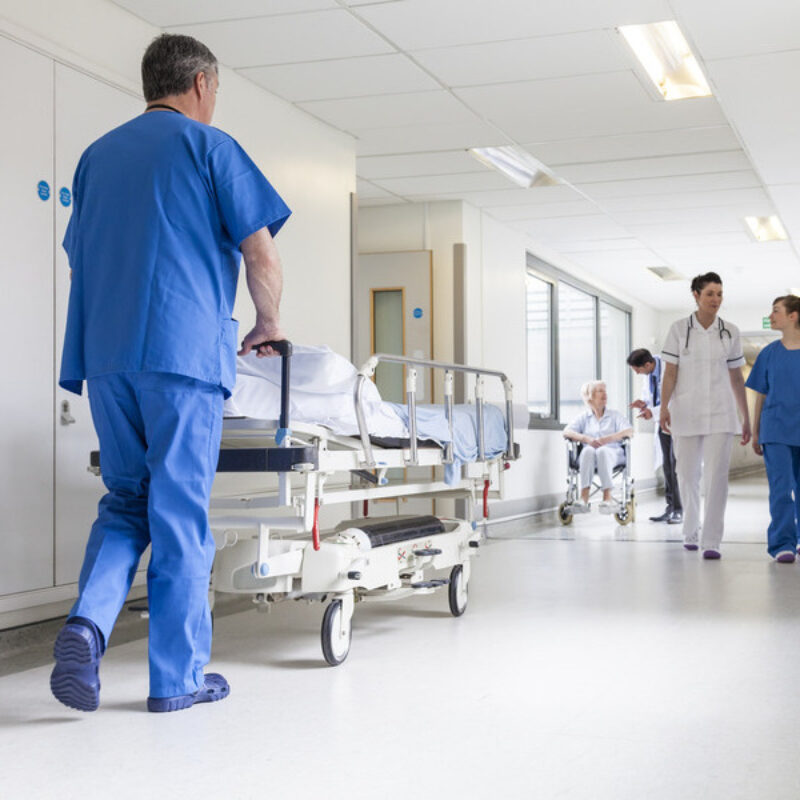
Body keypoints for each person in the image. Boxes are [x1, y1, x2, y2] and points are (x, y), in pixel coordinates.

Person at [50, 33, 291, 713]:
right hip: (181, 359)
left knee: (126, 501)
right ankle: (176, 679)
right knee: (179, 512)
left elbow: (80, 262)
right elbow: (261, 256)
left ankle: (87, 624)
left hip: (106, 357)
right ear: (203, 83)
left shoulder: (96, 158)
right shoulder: (212, 148)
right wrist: (268, 323)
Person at [659, 272, 751, 559]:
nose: (716, 299)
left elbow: (736, 377)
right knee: (686, 475)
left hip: (721, 414)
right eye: (710, 293)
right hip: (685, 412)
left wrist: (745, 417)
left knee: (717, 478)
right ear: (696, 295)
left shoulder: (730, 331)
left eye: (720, 294)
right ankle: (690, 529)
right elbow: (670, 372)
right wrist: (663, 407)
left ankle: (712, 540)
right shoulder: (678, 329)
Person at [746, 295, 800, 563]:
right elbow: (761, 395)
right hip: (776, 430)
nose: (772, 315)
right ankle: (782, 544)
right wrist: (756, 432)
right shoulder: (768, 353)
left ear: (793, 316)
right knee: (781, 488)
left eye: (776, 311)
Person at [627, 348, 683, 524]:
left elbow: (675, 399)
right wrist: (644, 405)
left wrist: (653, 411)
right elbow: (654, 399)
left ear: (648, 364)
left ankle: (679, 509)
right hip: (662, 423)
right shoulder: (649, 375)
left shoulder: (670, 368)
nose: (637, 373)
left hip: (676, 421)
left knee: (676, 467)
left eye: (638, 369)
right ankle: (670, 507)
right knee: (667, 466)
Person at [563, 381, 633, 514]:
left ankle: (607, 498)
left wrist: (607, 439)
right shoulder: (584, 417)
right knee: (588, 450)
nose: (605, 394)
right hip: (588, 458)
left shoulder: (614, 415)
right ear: (590, 396)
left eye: (605, 390)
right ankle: (584, 497)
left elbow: (629, 431)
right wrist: (586, 439)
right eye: (600, 391)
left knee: (602, 451)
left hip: (613, 454)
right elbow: (566, 432)